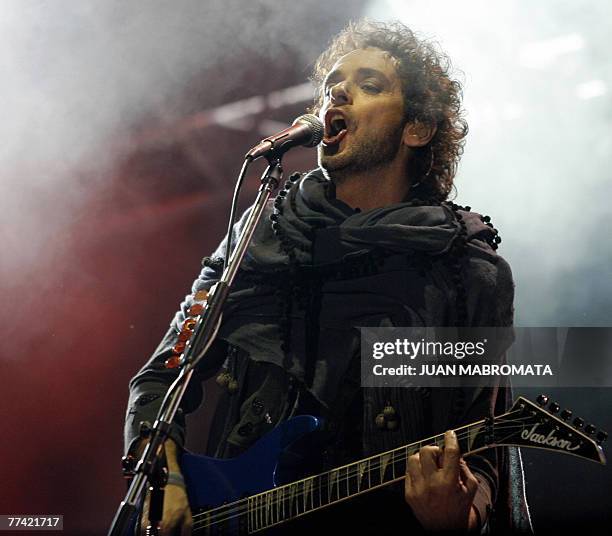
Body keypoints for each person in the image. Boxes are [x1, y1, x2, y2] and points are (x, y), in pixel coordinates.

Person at [124, 20, 532, 535]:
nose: (338, 90)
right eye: (332, 84)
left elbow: (484, 447)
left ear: (417, 129)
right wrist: (167, 480)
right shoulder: (259, 238)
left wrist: (461, 519)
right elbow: (163, 376)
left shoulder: (464, 269)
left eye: (370, 84)